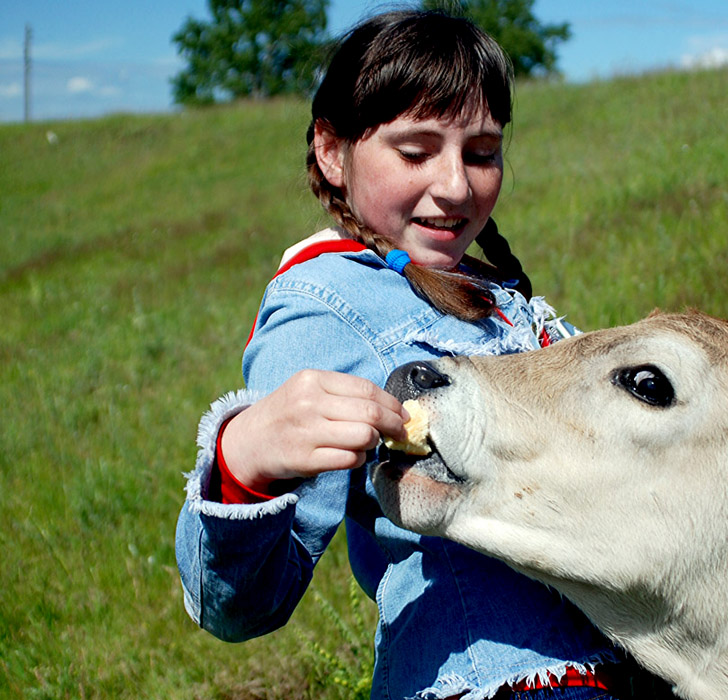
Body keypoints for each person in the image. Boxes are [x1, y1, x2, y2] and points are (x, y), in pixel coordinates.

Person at [176, 10, 673, 700]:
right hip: (501, 678)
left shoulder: (495, 294)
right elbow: (241, 605)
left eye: (481, 152)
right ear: (331, 150)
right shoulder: (322, 300)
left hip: (634, 662)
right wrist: (242, 465)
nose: (457, 186)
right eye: (416, 153)